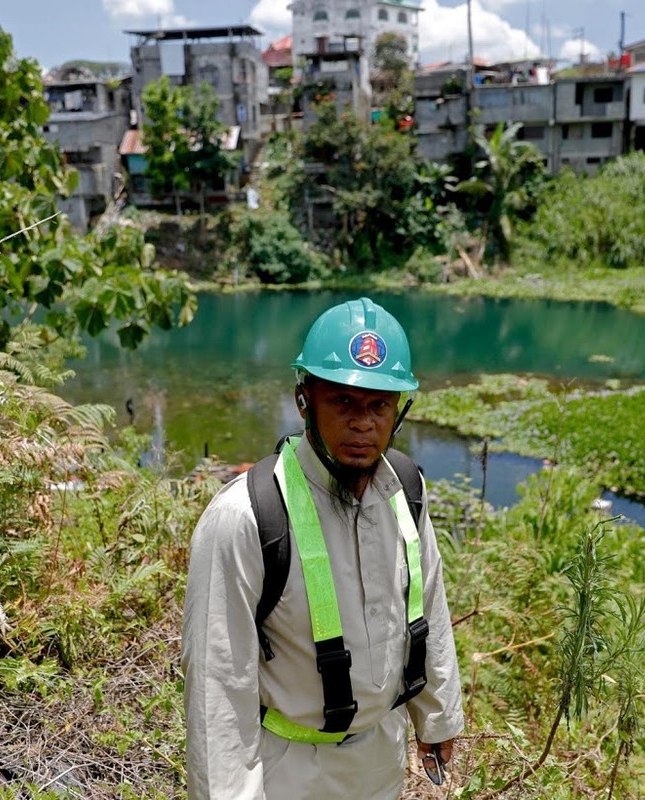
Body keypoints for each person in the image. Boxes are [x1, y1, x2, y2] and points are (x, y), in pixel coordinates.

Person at [182, 297, 464, 798]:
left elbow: (428, 605)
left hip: (381, 758)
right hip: (288, 769)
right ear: (304, 400)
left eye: (379, 405)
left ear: (399, 410)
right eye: (343, 402)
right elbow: (218, 685)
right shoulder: (247, 517)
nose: (363, 423)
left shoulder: (404, 489)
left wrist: (438, 717)